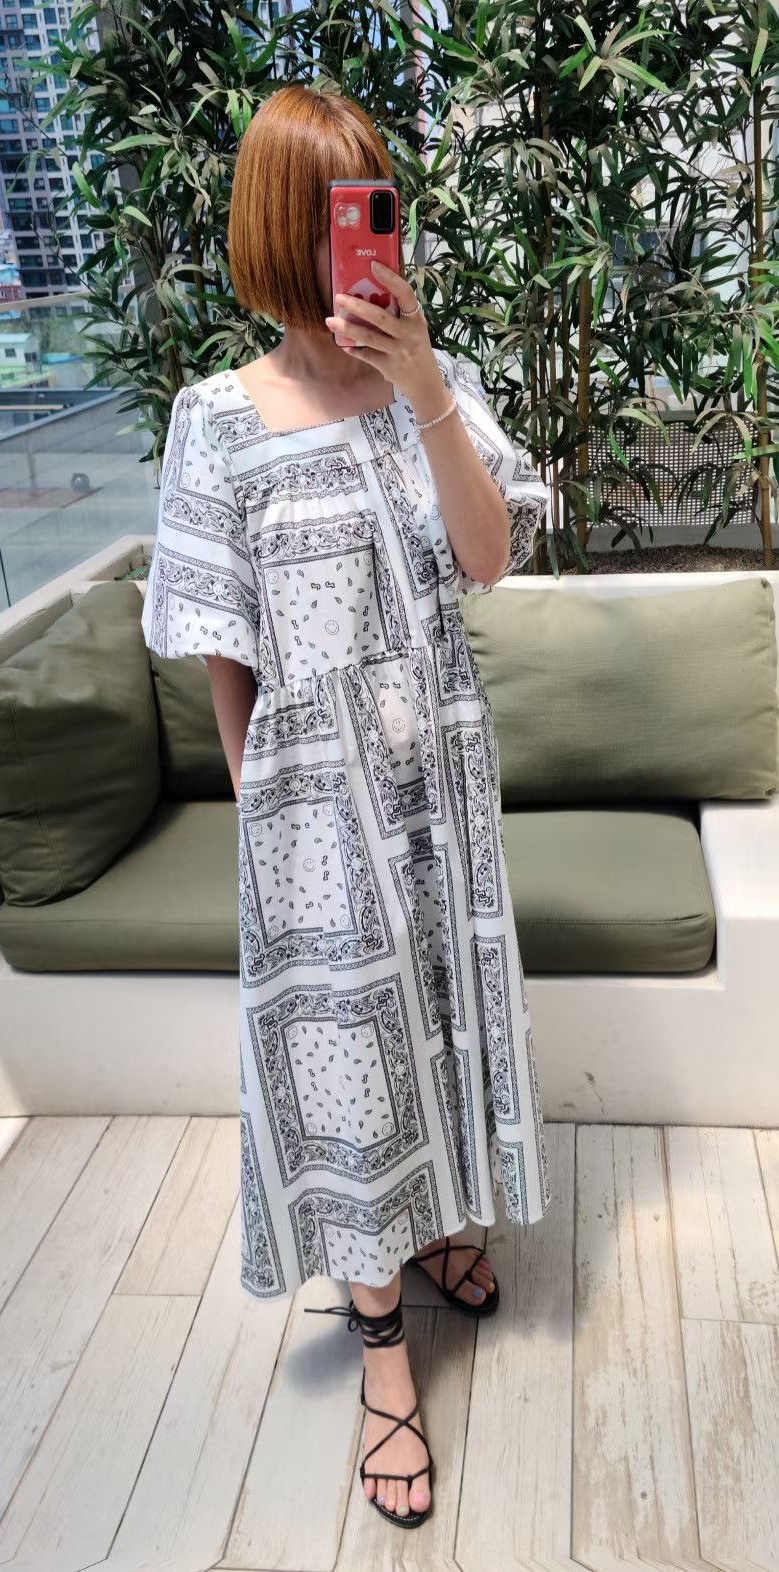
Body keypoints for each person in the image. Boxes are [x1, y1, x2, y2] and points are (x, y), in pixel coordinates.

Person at [141, 82, 552, 1529]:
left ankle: (436, 1230)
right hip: (313, 814)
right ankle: (382, 1356)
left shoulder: (436, 384)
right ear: (277, 231)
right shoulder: (215, 421)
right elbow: (223, 652)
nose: (361, 238)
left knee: (441, 1022)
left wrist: (427, 386)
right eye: (330, 214)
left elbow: (489, 560)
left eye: (372, 203)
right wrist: (263, 810)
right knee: (347, 1078)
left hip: (442, 780)